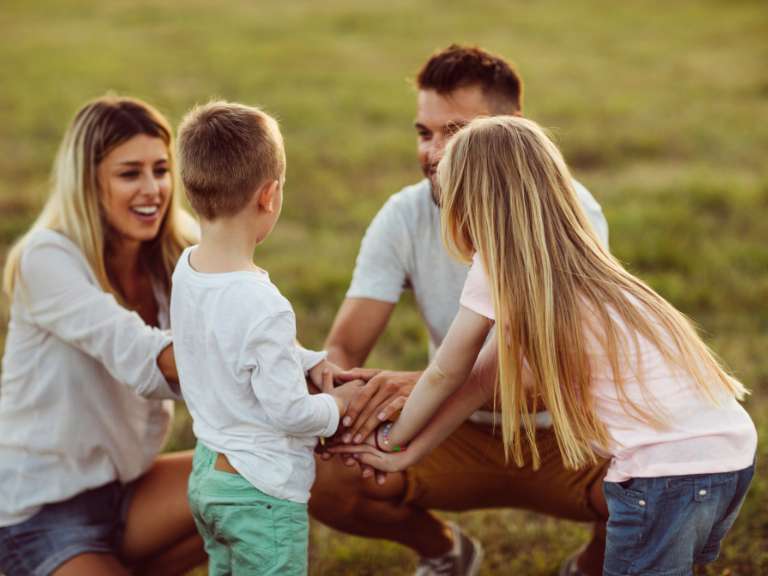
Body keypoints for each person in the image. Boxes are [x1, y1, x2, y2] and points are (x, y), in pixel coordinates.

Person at [333, 115, 757, 576]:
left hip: (662, 474)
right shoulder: (584, 267)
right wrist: (410, 453)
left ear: (469, 204)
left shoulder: (497, 268)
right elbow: (480, 381)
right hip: (727, 458)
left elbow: (446, 373)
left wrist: (391, 439)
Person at [311, 45, 610, 575]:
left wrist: (417, 386)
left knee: (656, 478)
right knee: (320, 470)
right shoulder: (405, 214)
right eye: (424, 133)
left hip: (561, 432)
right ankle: (444, 553)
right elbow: (345, 346)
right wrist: (337, 398)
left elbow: (549, 372)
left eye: (456, 132)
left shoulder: (571, 213)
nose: (434, 153)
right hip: (451, 429)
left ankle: (590, 568)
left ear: (513, 128)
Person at [0, 96, 204, 575]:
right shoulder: (46, 258)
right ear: (87, 183)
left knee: (261, 475)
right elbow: (139, 354)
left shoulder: (181, 251)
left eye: (161, 170)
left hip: (130, 491)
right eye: (130, 173)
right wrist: (277, 378)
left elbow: (248, 330)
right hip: (37, 511)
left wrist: (318, 378)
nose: (153, 189)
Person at [172, 101, 362, 575]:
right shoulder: (264, 305)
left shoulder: (188, 270)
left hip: (209, 477)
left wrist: (307, 360)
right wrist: (339, 406)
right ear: (270, 195)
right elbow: (290, 413)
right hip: (261, 494)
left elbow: (234, 345)